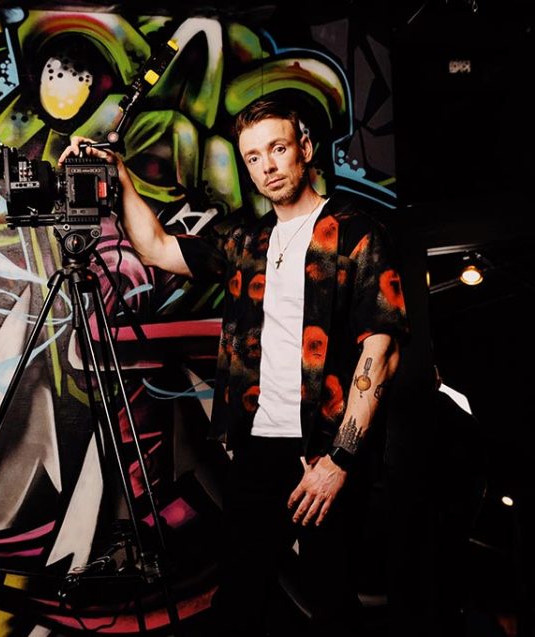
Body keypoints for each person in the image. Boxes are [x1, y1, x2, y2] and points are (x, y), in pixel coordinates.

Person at [59, 95, 408, 636]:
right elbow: (156, 247)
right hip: (256, 448)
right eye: (253, 157)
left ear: (304, 148)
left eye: (278, 148)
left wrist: (340, 459)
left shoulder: (357, 232)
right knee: (242, 598)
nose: (268, 166)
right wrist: (120, 176)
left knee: (331, 597)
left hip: (325, 448)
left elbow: (381, 352)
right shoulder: (248, 240)